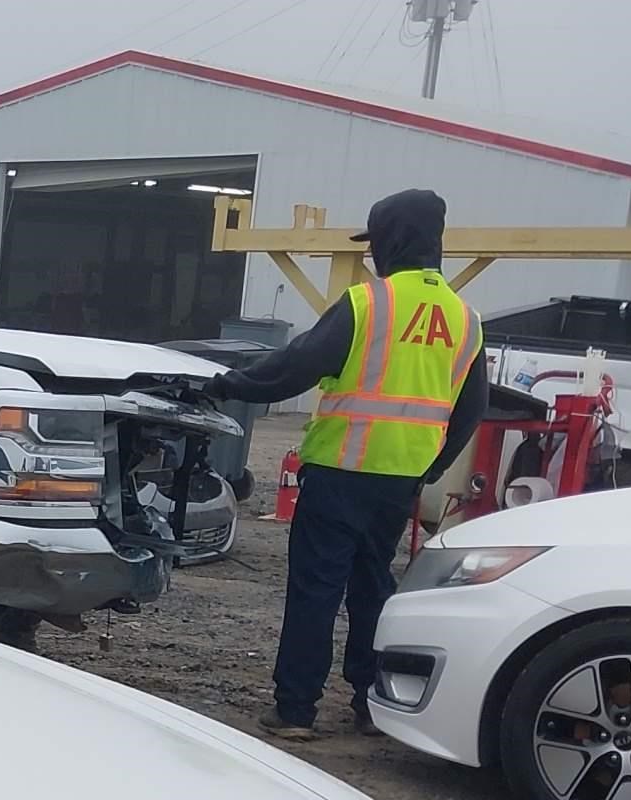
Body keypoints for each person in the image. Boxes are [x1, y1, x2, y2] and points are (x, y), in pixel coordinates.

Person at [206, 189, 486, 740]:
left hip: (339, 471)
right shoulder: (465, 318)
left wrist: (228, 383)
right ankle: (371, 701)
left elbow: (297, 365)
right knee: (372, 587)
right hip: (399, 480)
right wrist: (430, 468)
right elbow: (470, 409)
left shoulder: (369, 303)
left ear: (392, 241)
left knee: (317, 589)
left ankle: (295, 710)